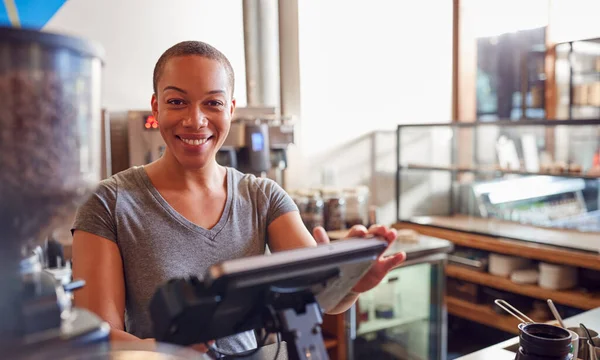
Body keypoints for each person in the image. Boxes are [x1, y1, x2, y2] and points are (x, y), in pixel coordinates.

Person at [71, 40, 406, 355]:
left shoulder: (263, 196)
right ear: (156, 106)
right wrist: (168, 353)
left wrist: (351, 277)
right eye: (177, 102)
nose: (195, 120)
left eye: (213, 103)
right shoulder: (109, 202)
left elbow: (319, 297)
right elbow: (96, 337)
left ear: (230, 109)